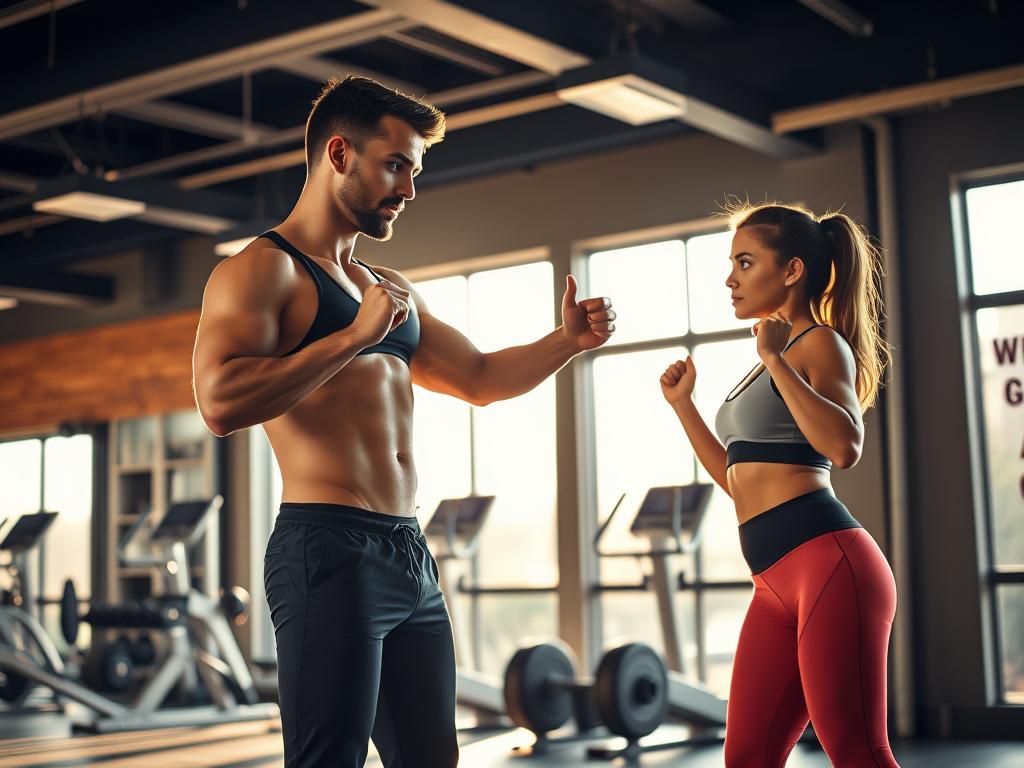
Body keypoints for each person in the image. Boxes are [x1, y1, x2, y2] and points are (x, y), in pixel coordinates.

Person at [191, 75, 616, 768]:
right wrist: (352, 339)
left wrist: (564, 342)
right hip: (327, 549)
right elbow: (219, 404)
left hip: (407, 554)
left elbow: (478, 378)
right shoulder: (262, 272)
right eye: (395, 166)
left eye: (415, 171)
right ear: (338, 154)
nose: (409, 188)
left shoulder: (388, 290)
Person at [659, 203, 899, 767]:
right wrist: (684, 407)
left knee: (858, 751)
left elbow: (844, 447)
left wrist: (773, 356)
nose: (730, 277)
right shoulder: (772, 358)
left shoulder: (818, 344)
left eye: (746, 261)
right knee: (746, 757)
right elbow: (737, 479)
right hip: (772, 582)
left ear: (792, 271)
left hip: (829, 566)